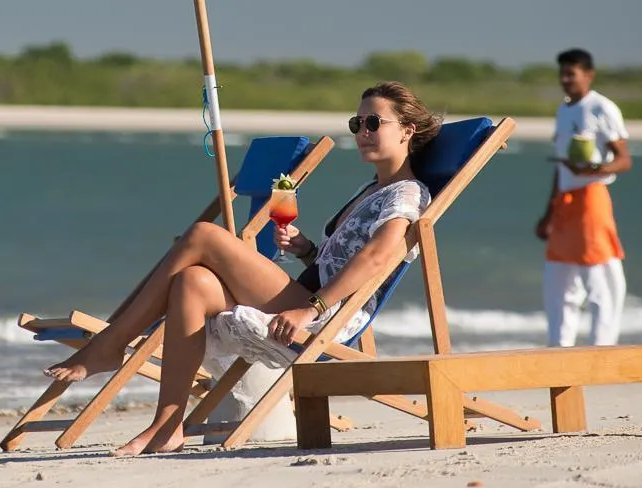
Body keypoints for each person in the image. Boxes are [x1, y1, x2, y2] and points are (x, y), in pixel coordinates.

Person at [43, 81, 442, 456]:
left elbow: (377, 259)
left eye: (374, 122)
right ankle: (168, 425)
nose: (362, 131)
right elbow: (338, 261)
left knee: (202, 235)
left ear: (407, 130)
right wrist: (306, 250)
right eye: (357, 123)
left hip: (327, 315)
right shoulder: (370, 190)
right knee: (191, 281)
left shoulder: (406, 195)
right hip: (312, 295)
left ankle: (112, 344)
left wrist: (310, 309)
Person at [534, 47, 632, 347]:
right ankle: (558, 348)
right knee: (559, 277)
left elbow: (624, 159)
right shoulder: (564, 110)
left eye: (571, 74)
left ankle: (602, 347)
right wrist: (549, 212)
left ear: (588, 75)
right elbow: (560, 165)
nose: (565, 79)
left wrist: (597, 168)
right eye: (562, 74)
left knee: (601, 278)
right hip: (565, 199)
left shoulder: (601, 108)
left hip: (591, 197)